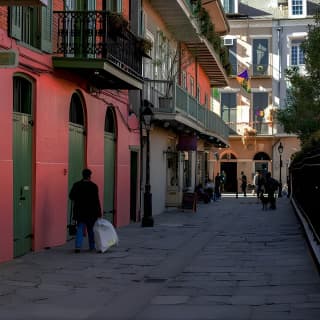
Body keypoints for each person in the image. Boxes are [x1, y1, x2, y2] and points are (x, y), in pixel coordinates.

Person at [69, 168, 102, 253]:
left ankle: (78, 247)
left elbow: (71, 196)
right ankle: (92, 246)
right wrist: (99, 212)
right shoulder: (94, 186)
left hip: (80, 211)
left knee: (80, 228)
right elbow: (96, 200)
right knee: (90, 229)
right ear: (89, 176)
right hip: (91, 212)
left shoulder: (76, 185)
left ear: (82, 175)